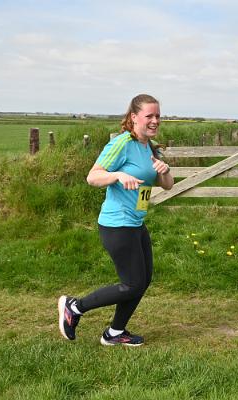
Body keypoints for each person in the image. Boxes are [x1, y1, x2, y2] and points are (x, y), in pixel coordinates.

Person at [58, 94, 173, 346]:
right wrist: (118, 175)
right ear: (134, 117)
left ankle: (114, 332)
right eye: (149, 116)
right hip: (117, 223)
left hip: (136, 222)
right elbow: (93, 177)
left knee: (142, 281)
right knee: (132, 284)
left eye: (158, 116)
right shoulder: (122, 143)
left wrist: (165, 171)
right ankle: (74, 307)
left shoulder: (149, 146)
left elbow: (167, 185)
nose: (155, 121)